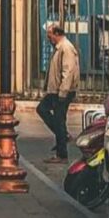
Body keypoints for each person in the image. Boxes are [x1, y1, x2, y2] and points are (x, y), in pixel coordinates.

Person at [37, 21, 80, 163]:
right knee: (45, 111)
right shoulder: (58, 48)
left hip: (61, 91)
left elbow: (68, 71)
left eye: (50, 36)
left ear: (57, 34)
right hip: (55, 90)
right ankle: (63, 137)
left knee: (59, 119)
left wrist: (63, 91)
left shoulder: (66, 48)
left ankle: (62, 154)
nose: (48, 39)